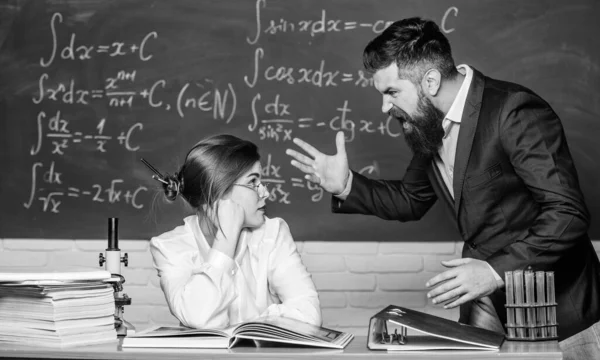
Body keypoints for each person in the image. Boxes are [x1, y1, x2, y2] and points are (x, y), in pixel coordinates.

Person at [286, 17, 600, 359]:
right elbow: (411, 200)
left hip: (559, 312)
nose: (384, 107)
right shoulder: (428, 126)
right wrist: (346, 185)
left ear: (430, 81)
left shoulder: (514, 112)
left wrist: (496, 272)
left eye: (392, 92)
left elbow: (567, 213)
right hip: (487, 313)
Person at [147, 134, 321, 329]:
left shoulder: (273, 233)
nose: (265, 192)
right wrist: (225, 242)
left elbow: (309, 314)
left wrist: (246, 326)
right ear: (216, 193)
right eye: (252, 182)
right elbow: (197, 317)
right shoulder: (170, 247)